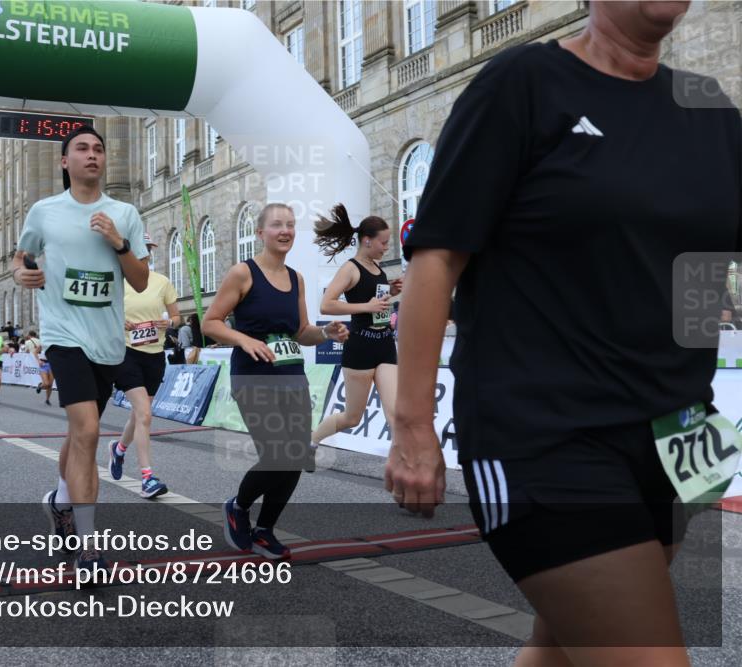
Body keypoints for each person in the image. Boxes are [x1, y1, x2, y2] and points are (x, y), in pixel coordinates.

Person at [387, 2, 742, 663]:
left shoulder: (709, 109)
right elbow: (435, 257)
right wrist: (412, 426)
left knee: (560, 648)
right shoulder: (524, 84)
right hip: (546, 437)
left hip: (675, 438)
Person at [13, 125, 149, 573]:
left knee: (78, 432)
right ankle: (88, 547)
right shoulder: (45, 211)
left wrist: (119, 243)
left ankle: (59, 499)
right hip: (62, 335)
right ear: (64, 162)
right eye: (82, 149)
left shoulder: (124, 213)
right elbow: (22, 257)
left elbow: (141, 280)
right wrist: (22, 274)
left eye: (98, 149)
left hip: (107, 341)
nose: (92, 155)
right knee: (89, 431)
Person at [202, 203, 348, 559]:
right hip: (252, 377)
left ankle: (265, 529)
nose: (285, 231)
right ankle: (238, 506)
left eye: (290, 225)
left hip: (291, 376)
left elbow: (300, 332)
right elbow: (211, 322)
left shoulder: (295, 278)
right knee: (277, 454)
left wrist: (326, 332)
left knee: (295, 454)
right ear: (261, 233)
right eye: (277, 225)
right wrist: (244, 339)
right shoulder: (243, 273)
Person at [311, 207, 402, 470]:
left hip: (384, 344)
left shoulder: (377, 267)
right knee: (353, 417)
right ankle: (312, 441)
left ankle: (402, 474)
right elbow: (326, 305)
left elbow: (378, 306)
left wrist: (391, 293)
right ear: (367, 240)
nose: (386, 248)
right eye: (383, 242)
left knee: (395, 415)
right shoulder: (350, 269)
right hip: (359, 347)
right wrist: (366, 306)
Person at [109, 232, 181, 498]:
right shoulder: (118, 281)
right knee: (145, 414)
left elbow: (177, 316)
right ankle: (147, 477)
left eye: (148, 248)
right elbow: (104, 313)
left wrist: (169, 323)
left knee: (140, 414)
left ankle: (118, 450)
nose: (144, 252)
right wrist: (119, 322)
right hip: (125, 352)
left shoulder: (162, 282)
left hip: (154, 354)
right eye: (140, 247)